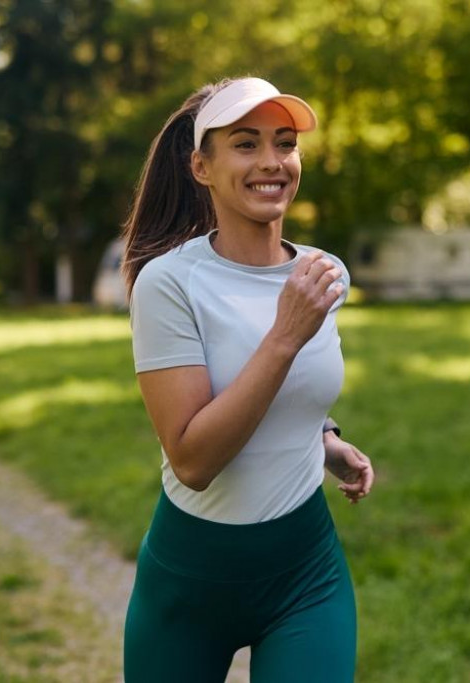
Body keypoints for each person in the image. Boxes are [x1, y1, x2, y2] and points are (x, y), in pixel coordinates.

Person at [120, 77, 374, 683]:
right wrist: (285, 334)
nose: (271, 162)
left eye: (284, 144)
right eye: (245, 143)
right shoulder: (169, 284)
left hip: (304, 572)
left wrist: (324, 441)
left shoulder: (323, 273)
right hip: (191, 581)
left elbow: (294, 394)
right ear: (201, 166)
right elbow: (194, 460)